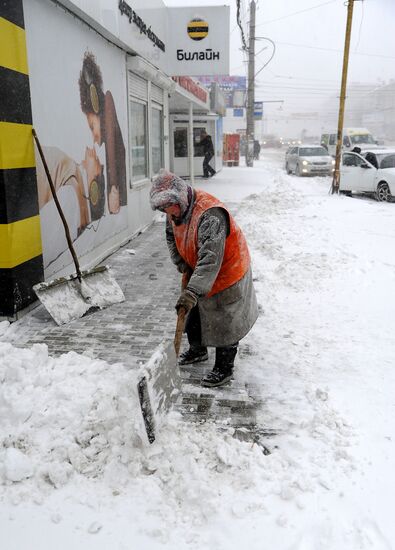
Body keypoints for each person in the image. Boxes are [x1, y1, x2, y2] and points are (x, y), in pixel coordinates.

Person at [150, 170, 258, 388]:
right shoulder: (174, 212)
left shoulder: (210, 214)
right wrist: (182, 263)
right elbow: (171, 236)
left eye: (167, 207)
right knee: (194, 313)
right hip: (199, 266)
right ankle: (198, 351)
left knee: (225, 321)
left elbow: (211, 260)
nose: (166, 213)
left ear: (179, 198)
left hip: (228, 270)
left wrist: (191, 291)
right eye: (161, 209)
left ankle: (224, 368)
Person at [79, 51, 127, 214]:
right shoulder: (107, 105)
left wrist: (113, 187)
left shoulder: (107, 104)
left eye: (92, 127)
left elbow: (113, 149)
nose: (94, 138)